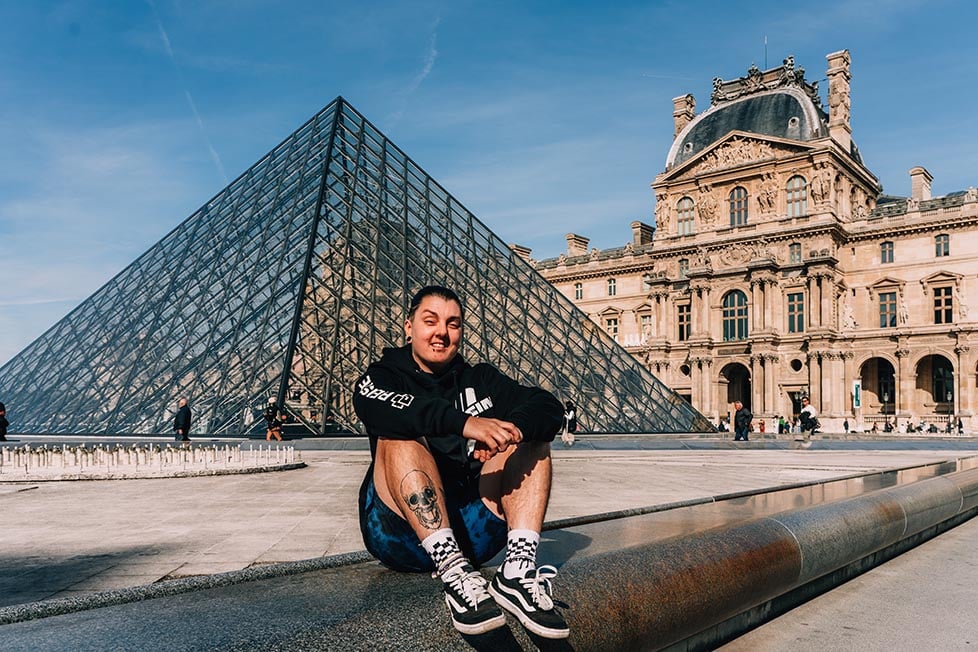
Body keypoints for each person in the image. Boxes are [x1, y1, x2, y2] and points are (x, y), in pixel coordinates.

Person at [353, 285, 569, 639]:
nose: (442, 332)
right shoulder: (382, 376)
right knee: (398, 434)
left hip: (473, 533)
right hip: (398, 534)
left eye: (453, 324)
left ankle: (517, 572)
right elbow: (374, 406)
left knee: (533, 439)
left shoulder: (480, 379)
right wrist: (468, 424)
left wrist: (510, 433)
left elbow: (547, 406)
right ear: (409, 327)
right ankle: (451, 569)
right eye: (430, 321)